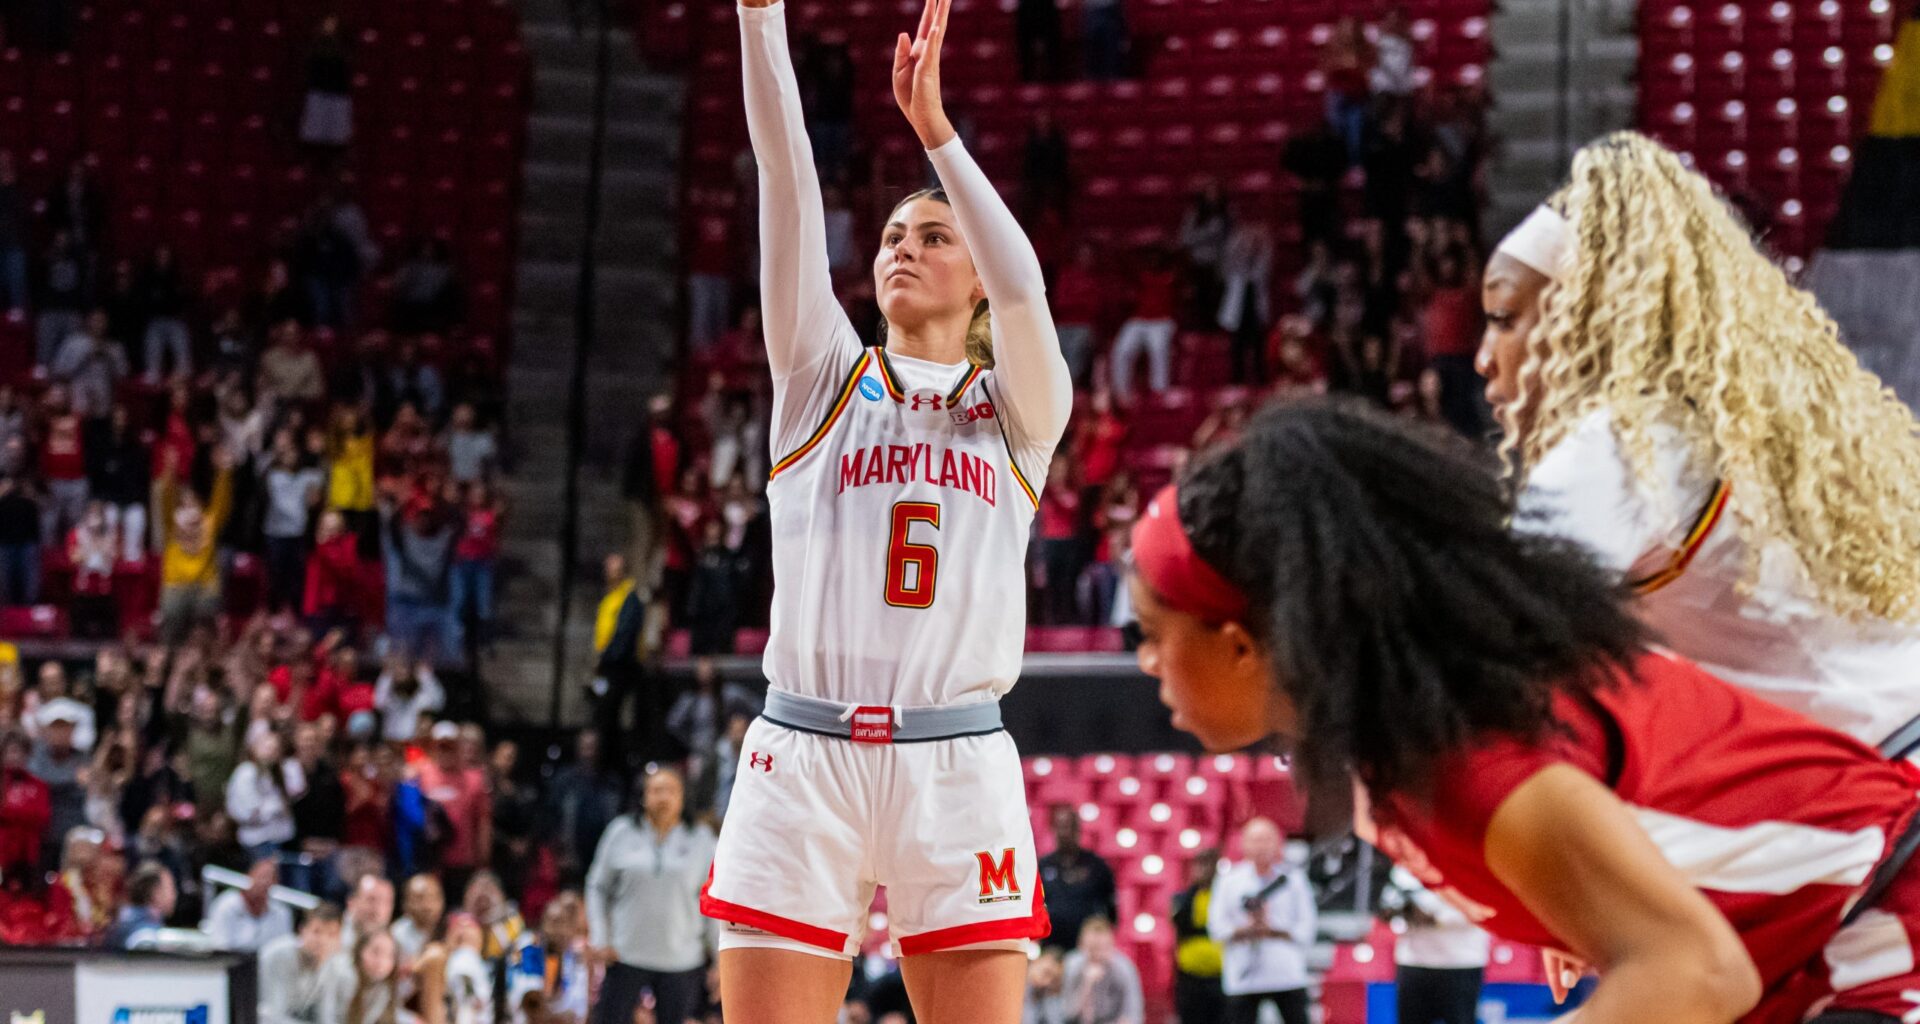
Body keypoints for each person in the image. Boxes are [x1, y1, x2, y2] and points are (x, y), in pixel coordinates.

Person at [1127, 396, 1920, 1024]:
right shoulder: (1402, 735)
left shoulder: (1466, 755)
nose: (1144, 661)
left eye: (1156, 633)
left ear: (1238, 643)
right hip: (1805, 958)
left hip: (1881, 933)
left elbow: (1694, 971)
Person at [709, 0, 1071, 1021]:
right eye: (893, 235)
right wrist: (760, 18)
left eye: (934, 236)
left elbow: (1030, 294)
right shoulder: (821, 377)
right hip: (803, 754)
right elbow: (786, 177)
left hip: (954, 762)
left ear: (976, 278)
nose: (904, 247)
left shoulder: (1018, 412)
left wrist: (938, 136)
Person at [1478, 132, 1920, 751]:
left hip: (1886, 777)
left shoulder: (1618, 442)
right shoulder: (1760, 405)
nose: (1482, 359)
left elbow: (1485, 640)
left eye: (1504, 320)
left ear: (1578, 319)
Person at [587, 767, 718, 1024]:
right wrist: (600, 936)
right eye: (656, 790)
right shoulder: (620, 832)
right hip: (625, 954)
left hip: (681, 959)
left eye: (671, 790)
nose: (663, 797)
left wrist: (718, 956)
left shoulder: (702, 840)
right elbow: (597, 887)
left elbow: (713, 902)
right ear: (644, 796)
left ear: (682, 797)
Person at [1208, 818, 1315, 1024]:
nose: (1261, 846)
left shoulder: (1293, 878)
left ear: (1278, 843)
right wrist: (1247, 928)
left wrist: (1273, 929)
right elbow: (1217, 928)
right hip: (1243, 974)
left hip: (1286, 971)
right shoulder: (1229, 880)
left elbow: (1307, 928)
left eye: (1267, 840)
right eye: (1256, 840)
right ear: (1243, 844)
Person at [1387, 868, 1488, 1024]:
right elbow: (1389, 900)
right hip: (1413, 961)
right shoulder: (1406, 863)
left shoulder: (1471, 860)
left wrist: (1435, 919)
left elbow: (1482, 908)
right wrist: (1394, 912)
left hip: (1460, 963)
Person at [1037, 803, 1116, 954]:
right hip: (1051, 946)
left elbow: (1111, 907)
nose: (1065, 832)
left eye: (1069, 826)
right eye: (1060, 826)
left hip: (1087, 949)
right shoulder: (1043, 865)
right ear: (1053, 829)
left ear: (1078, 829)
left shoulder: (1096, 866)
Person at [507, 893, 590, 1024]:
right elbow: (525, 996)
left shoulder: (576, 957)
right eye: (553, 922)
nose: (558, 930)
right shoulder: (528, 948)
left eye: (563, 923)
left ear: (572, 928)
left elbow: (579, 1006)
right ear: (543, 923)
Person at [260, 902, 346, 1024]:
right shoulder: (279, 956)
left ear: (339, 940)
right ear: (302, 931)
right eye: (317, 932)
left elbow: (326, 1016)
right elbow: (273, 1016)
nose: (322, 940)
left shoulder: (331, 965)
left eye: (331, 934)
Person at [1170, 852, 1225, 1024]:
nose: (1203, 870)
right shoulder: (1183, 898)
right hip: (1190, 974)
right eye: (1199, 865)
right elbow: (1178, 922)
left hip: (1220, 975)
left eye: (1208, 865)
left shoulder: (1225, 897)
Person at [1060, 917, 1143, 1024]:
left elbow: (1134, 1011)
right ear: (1081, 945)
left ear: (1112, 945)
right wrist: (1086, 984)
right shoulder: (1072, 964)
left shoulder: (1124, 968)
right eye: (1092, 949)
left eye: (1103, 948)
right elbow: (1067, 1013)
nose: (1098, 955)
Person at [205, 854, 296, 952]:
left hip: (266, 965)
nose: (265, 882)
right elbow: (219, 949)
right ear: (249, 876)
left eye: (271, 878)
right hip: (230, 963)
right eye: (261, 877)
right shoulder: (226, 905)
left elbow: (285, 951)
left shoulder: (281, 912)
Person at [319, 928, 402, 1024]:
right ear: (360, 951)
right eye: (375, 952)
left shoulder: (382, 990)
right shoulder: (342, 973)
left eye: (389, 956)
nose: (381, 962)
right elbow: (324, 1016)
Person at [108, 861, 177, 949]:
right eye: (171, 888)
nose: (174, 896)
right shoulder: (145, 936)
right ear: (155, 892)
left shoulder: (126, 919)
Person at [393, 873, 446, 962]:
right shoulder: (396, 934)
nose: (428, 906)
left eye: (433, 897)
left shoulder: (451, 930)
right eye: (420, 898)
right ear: (405, 904)